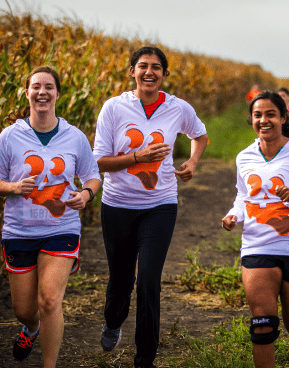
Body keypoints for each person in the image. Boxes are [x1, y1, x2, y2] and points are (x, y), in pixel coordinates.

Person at [93, 46, 208, 368]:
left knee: (148, 282)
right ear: (132, 71)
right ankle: (113, 321)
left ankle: (144, 359)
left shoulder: (177, 108)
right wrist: (136, 158)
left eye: (156, 67)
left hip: (160, 205)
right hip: (117, 206)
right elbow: (99, 161)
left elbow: (200, 134)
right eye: (142, 66)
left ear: (164, 75)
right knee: (120, 281)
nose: (149, 72)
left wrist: (193, 162)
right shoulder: (114, 108)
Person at [0, 66, 101, 367]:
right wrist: (11, 186)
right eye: (36, 86)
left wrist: (85, 195)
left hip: (61, 227)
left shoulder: (74, 136)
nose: (42, 92)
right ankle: (30, 328)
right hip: (20, 231)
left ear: (58, 94)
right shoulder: (10, 137)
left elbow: (92, 176)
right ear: (27, 93)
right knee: (25, 309)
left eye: (49, 86)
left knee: (49, 300)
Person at [222, 91, 289, 368]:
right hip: (258, 245)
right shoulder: (244, 157)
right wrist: (234, 215)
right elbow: (243, 196)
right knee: (262, 322)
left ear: (283, 117)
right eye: (258, 115)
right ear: (252, 120)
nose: (264, 120)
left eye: (270, 114)